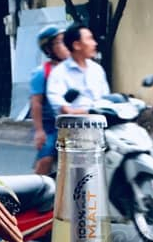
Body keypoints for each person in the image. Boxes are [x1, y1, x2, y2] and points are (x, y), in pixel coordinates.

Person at [29, 25, 70, 175]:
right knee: (46, 159)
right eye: (60, 42)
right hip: (51, 126)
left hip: (74, 123)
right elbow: (36, 103)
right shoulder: (42, 73)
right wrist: (40, 131)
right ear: (49, 49)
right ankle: (37, 186)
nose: (66, 45)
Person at [45, 24, 110, 117]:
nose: (94, 43)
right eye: (89, 39)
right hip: (74, 124)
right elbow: (63, 109)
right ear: (77, 45)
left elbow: (106, 99)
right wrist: (90, 112)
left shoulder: (97, 70)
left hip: (102, 122)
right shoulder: (59, 73)